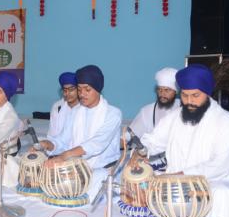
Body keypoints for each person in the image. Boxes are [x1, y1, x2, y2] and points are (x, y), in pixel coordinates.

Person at [140, 64, 229, 217]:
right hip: (174, 181)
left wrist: (183, 175)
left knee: (223, 195)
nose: (189, 101)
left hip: (211, 183)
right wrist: (141, 152)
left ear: (207, 93)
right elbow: (154, 139)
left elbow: (220, 165)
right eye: (184, 95)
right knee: (144, 182)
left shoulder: (226, 122)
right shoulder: (176, 115)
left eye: (195, 95)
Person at [38, 65, 122, 200]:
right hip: (77, 170)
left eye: (87, 89)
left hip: (103, 173)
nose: (82, 94)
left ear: (98, 89)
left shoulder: (113, 114)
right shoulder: (76, 112)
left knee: (85, 204)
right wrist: (47, 144)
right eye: (79, 89)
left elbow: (96, 144)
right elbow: (63, 140)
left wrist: (65, 156)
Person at [129, 67, 180, 171]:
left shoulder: (183, 109)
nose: (162, 94)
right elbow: (132, 137)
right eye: (160, 89)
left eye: (167, 90)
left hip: (179, 166)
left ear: (176, 92)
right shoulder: (147, 111)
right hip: (152, 166)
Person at [47, 72, 80, 139]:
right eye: (65, 90)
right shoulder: (57, 106)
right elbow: (52, 133)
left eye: (71, 89)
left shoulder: (85, 107)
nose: (67, 93)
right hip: (57, 146)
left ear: (79, 89)